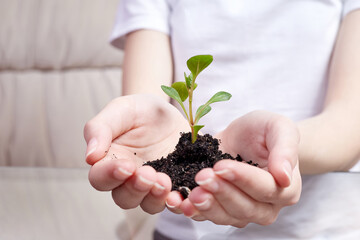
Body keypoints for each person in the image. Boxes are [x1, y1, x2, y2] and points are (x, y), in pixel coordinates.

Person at [84, 0, 360, 239]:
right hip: (183, 221)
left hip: (324, 228)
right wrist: (141, 128)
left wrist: (276, 148)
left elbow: (348, 130)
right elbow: (148, 100)